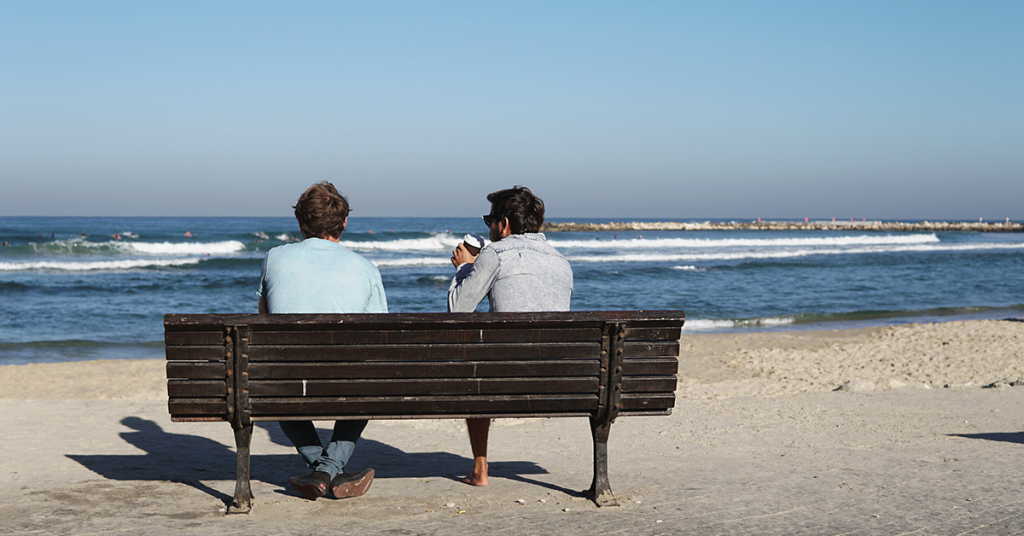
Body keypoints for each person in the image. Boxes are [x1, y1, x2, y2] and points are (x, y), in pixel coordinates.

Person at [257, 181, 387, 501]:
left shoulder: (274, 258)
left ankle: (321, 470)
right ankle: (328, 470)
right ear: (344, 222)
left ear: (300, 221)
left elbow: (264, 316)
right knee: (366, 386)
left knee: (281, 387)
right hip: (345, 382)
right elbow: (379, 335)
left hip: (289, 381)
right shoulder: (366, 269)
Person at [447, 186, 573, 486]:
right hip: (563, 381)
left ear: (503, 224)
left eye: (488, 220)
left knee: (474, 373)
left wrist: (465, 268)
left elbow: (458, 309)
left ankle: (480, 469)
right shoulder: (561, 261)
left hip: (506, 378)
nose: (488, 227)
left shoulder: (495, 254)